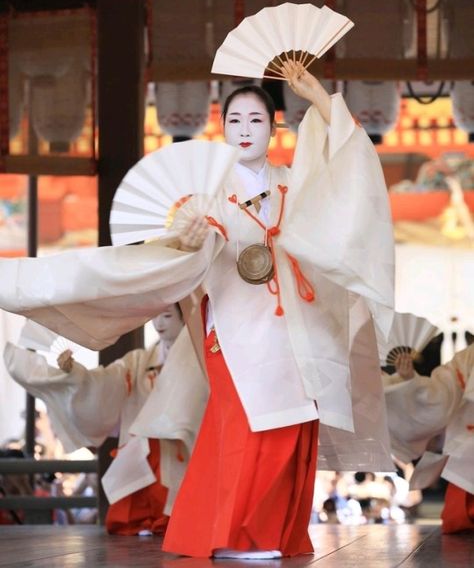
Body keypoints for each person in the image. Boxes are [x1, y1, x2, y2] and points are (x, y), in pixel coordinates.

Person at [0, 60, 394, 557]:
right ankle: (236, 535)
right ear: (221, 129)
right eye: (235, 121)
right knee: (249, 424)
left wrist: (316, 95)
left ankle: (272, 533)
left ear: (274, 129)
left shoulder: (295, 182)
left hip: (298, 325)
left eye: (256, 120)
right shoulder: (206, 194)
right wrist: (186, 242)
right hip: (233, 324)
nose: (245, 130)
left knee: (295, 424)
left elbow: (347, 179)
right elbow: (172, 261)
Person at [4, 304, 208, 536]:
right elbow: (108, 381)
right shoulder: (139, 360)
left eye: (168, 315)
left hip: (180, 443)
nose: (159, 323)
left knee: (180, 502)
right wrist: (76, 374)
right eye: (155, 316)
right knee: (136, 504)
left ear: (184, 318)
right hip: (146, 445)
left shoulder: (199, 357)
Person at [383, 344, 474, 533]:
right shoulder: (468, 357)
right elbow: (441, 395)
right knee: (459, 520)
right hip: (468, 448)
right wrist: (410, 381)